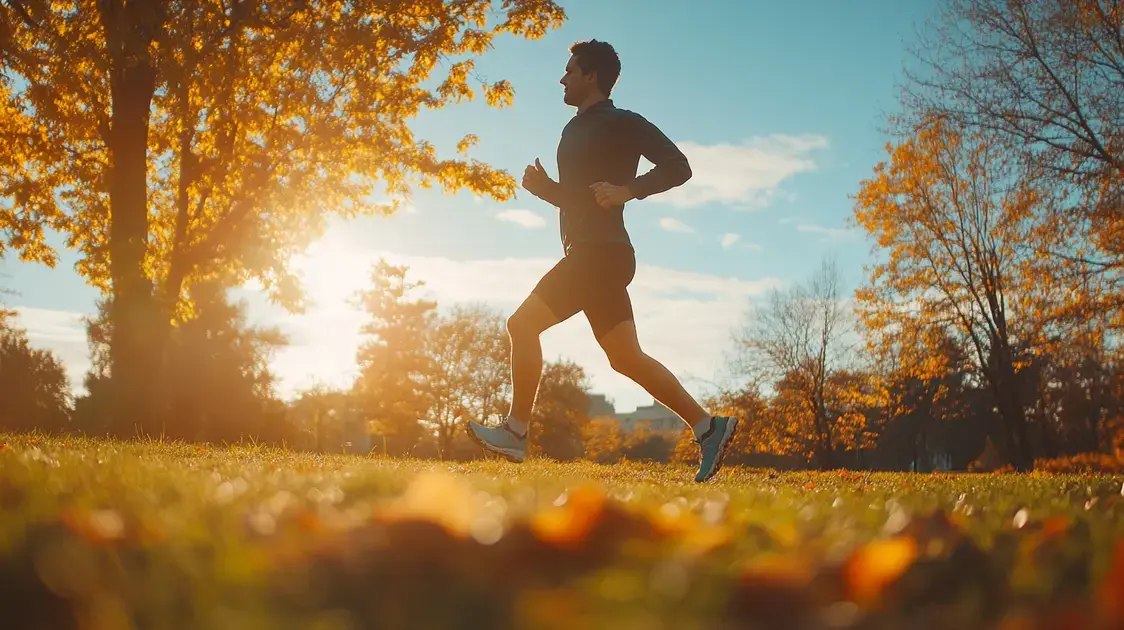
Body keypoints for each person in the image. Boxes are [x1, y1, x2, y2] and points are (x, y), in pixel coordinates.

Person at [466, 40, 738, 483]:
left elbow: (679, 166)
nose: (562, 78)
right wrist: (544, 188)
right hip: (592, 254)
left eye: (570, 71)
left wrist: (629, 190)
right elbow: (581, 199)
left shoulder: (621, 122)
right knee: (625, 358)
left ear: (591, 76)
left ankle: (515, 432)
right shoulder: (574, 129)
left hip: (601, 254)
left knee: (521, 325)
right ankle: (709, 427)